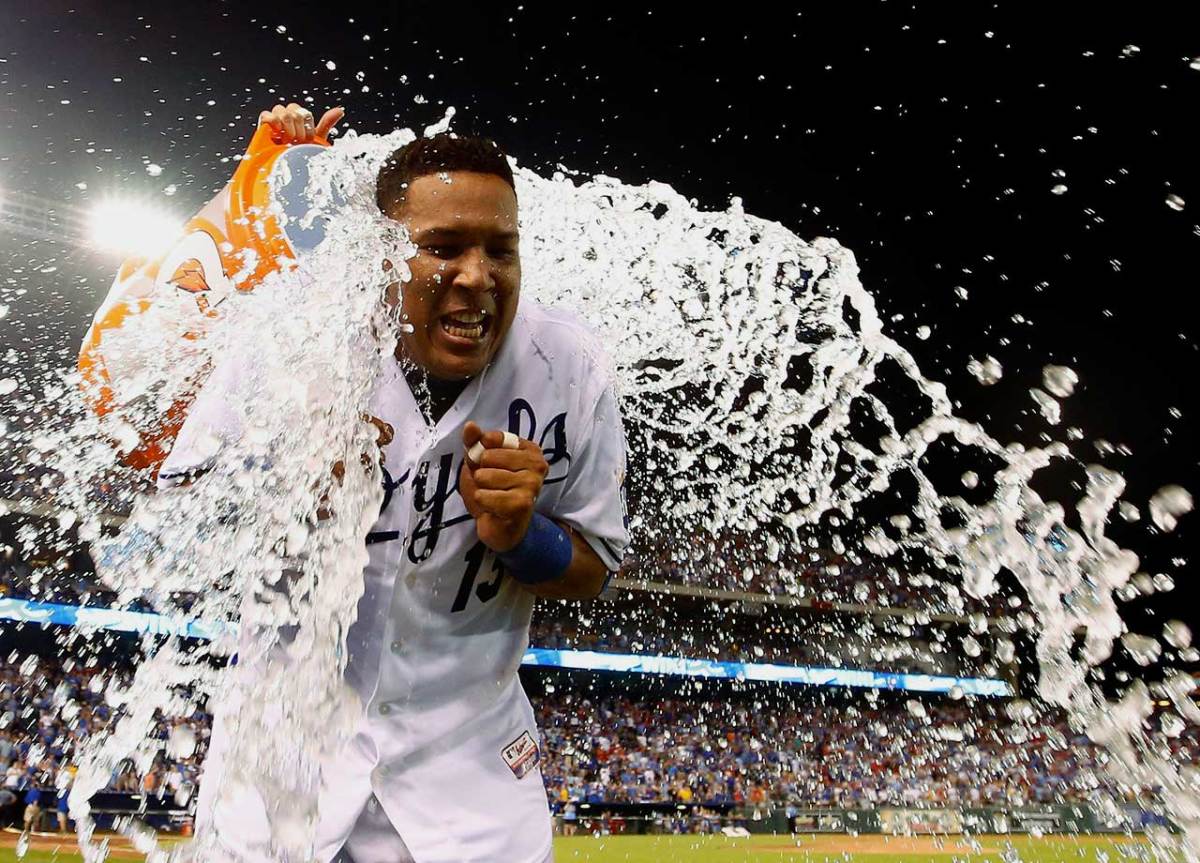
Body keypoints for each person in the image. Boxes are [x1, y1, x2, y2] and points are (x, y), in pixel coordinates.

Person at [152, 104, 630, 862]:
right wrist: (290, 492)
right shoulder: (291, 337)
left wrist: (522, 537)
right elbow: (168, 544)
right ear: (382, 252)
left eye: (500, 250)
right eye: (443, 247)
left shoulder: (570, 365)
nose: (477, 276)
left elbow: (596, 568)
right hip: (280, 775)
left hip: (471, 785)